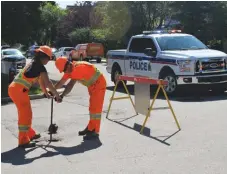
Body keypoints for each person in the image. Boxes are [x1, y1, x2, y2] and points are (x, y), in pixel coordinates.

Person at [8, 45, 62, 148]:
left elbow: (41, 80)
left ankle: (30, 134)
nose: (48, 61)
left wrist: (45, 92)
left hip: (15, 89)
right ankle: (23, 141)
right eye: (49, 58)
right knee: (26, 115)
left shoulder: (34, 63)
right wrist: (57, 95)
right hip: (19, 91)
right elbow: (48, 83)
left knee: (25, 113)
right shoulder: (40, 67)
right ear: (45, 57)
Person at [54, 57, 106, 140]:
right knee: (92, 109)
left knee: (96, 110)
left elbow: (70, 85)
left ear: (67, 66)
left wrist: (62, 95)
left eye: (64, 70)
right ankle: (90, 128)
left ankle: (95, 131)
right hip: (92, 86)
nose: (64, 72)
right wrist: (51, 91)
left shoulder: (78, 69)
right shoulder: (70, 69)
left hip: (99, 85)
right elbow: (61, 82)